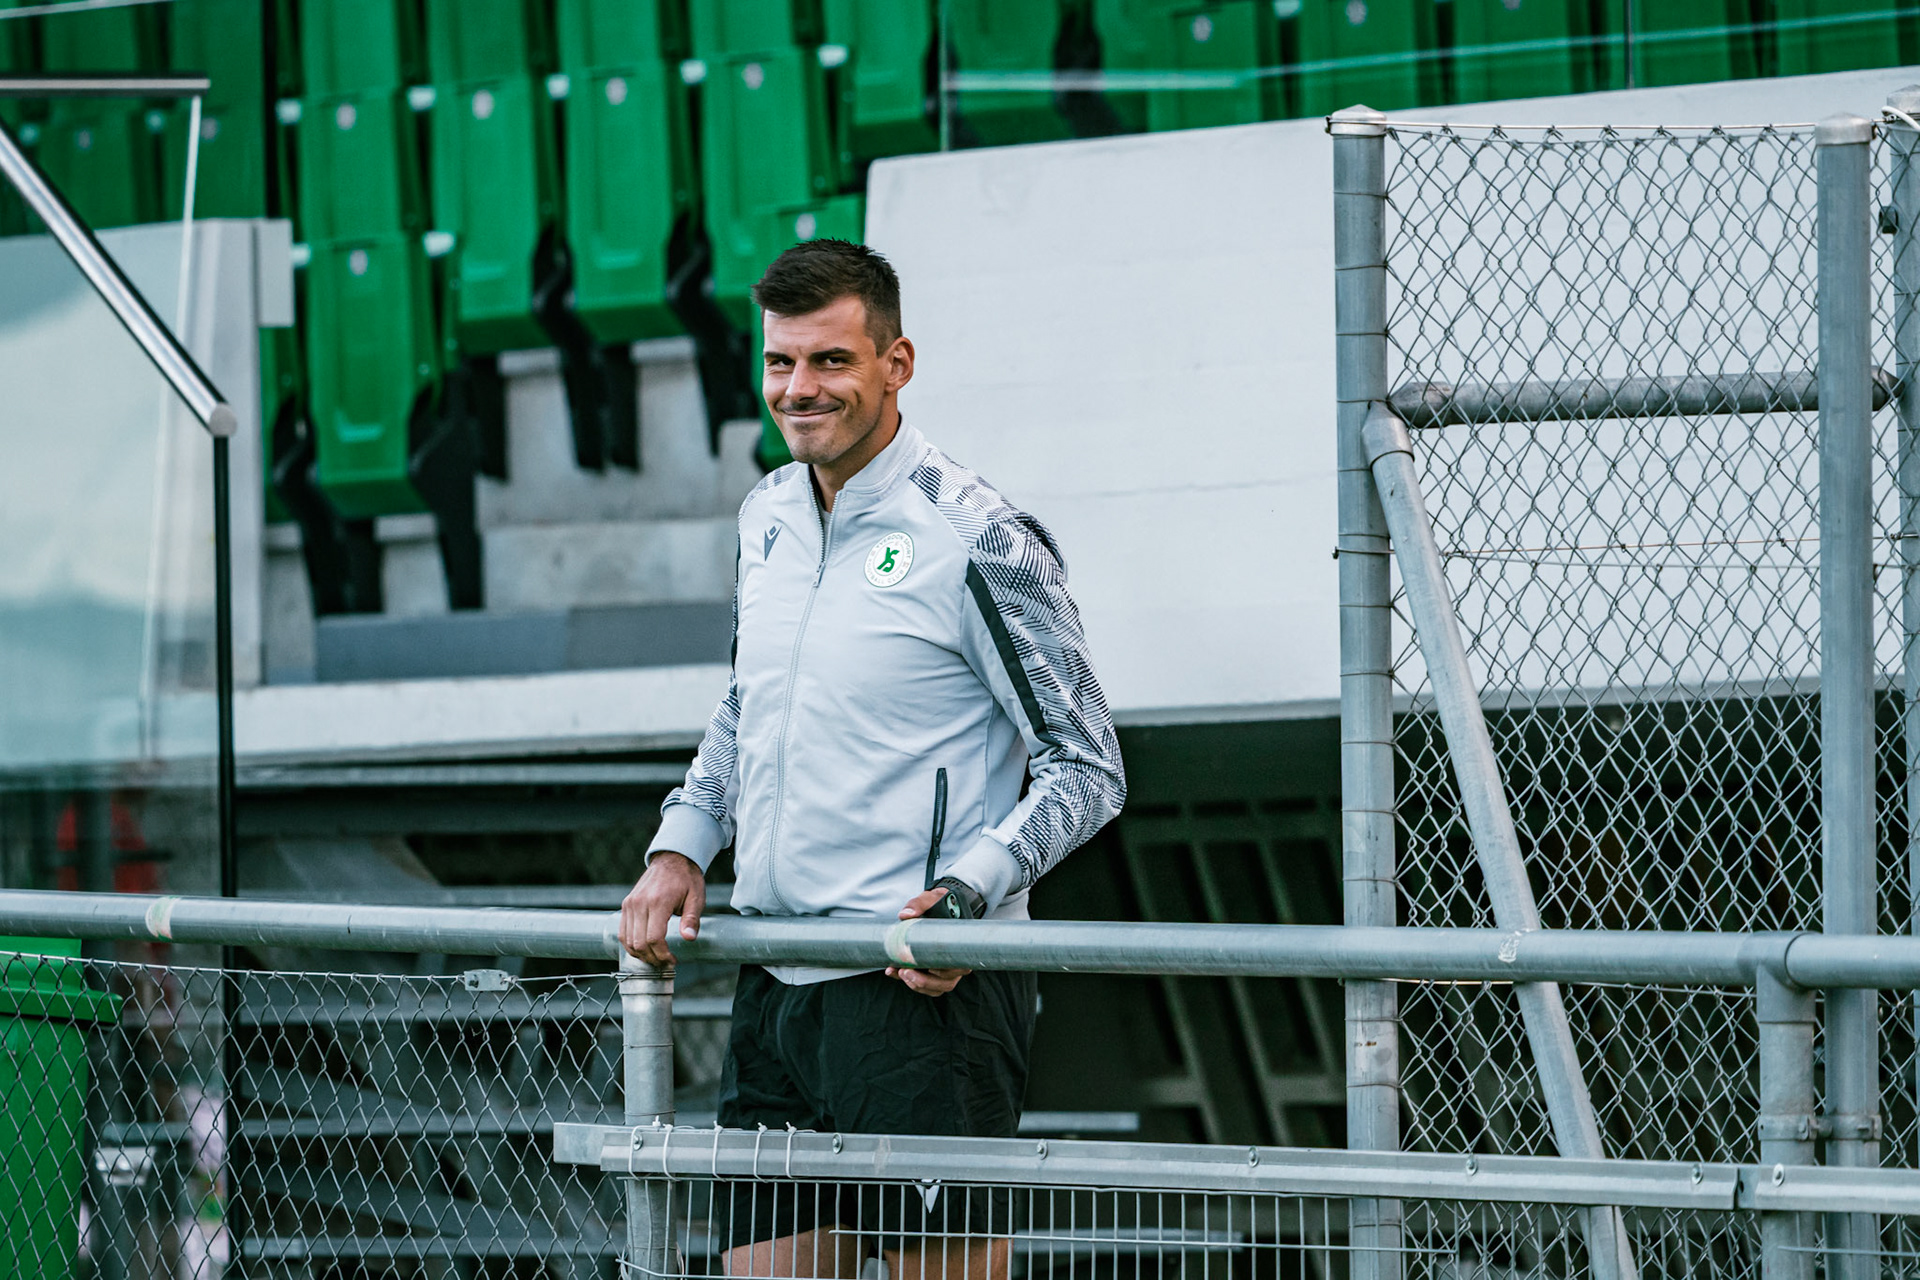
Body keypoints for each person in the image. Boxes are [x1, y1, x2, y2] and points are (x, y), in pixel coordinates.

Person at [619, 239, 1125, 1280]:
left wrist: (968, 897)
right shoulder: (765, 516)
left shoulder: (981, 536)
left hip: (921, 995)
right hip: (777, 985)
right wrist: (683, 842)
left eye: (831, 362)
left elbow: (1086, 763)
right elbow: (746, 707)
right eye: (781, 363)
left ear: (896, 362)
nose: (800, 389)